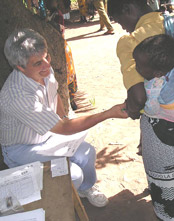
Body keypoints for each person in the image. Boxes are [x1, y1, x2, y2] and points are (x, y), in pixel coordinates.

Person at [0, 29, 128, 208]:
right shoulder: (17, 95)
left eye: (47, 57)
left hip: (48, 136)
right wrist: (107, 114)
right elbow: (64, 127)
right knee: (72, 175)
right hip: (21, 148)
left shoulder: (44, 70)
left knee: (87, 152)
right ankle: (56, 206)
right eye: (38, 63)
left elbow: (55, 95)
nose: (46, 65)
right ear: (20, 67)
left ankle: (86, 188)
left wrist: (65, 117)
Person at [108, 0, 174, 220]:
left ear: (128, 8)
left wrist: (132, 110)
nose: (122, 27)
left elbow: (138, 97)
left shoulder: (129, 41)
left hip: (161, 128)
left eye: (119, 20)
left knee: (168, 186)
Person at [46, 0, 79, 110]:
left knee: (68, 73)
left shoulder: (57, 15)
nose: (48, 3)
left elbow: (59, 30)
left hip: (61, 47)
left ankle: (72, 100)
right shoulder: (51, 14)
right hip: (60, 46)